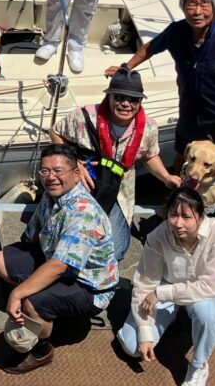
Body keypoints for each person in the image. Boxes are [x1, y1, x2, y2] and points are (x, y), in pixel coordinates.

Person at [106, 0, 215, 173]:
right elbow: (151, 48)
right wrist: (126, 67)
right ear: (183, 7)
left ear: (214, 8)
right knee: (183, 155)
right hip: (190, 113)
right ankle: (177, 188)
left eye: (204, 5)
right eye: (191, 4)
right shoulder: (176, 31)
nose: (197, 11)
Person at [0, 144, 117, 374]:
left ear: (76, 174)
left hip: (86, 284)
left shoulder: (83, 212)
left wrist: (18, 293)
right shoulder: (51, 196)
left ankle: (42, 350)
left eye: (58, 171)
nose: (51, 177)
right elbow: (33, 233)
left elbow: (60, 266)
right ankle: (45, 313)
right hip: (55, 261)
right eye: (45, 171)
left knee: (32, 301)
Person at [50, 66, 181, 261]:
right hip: (83, 185)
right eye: (119, 97)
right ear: (109, 97)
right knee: (66, 239)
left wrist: (166, 177)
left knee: (116, 249)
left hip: (118, 191)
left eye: (133, 99)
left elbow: (149, 155)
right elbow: (56, 132)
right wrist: (74, 164)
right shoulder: (84, 117)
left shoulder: (149, 127)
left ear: (140, 102)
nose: (126, 104)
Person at [116, 188, 215, 386]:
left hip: (202, 291)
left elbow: (208, 286)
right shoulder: (158, 236)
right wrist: (145, 333)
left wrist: (160, 293)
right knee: (132, 346)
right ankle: (168, 317)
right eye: (173, 215)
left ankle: (199, 365)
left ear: (200, 217)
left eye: (186, 217)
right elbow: (144, 284)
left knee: (206, 314)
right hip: (167, 282)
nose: (178, 223)